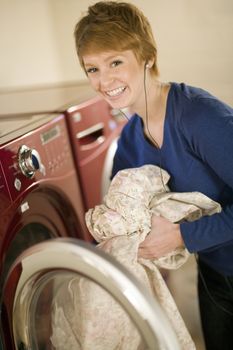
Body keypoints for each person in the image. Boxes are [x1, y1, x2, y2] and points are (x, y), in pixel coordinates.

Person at [74, 1, 233, 349]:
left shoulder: (197, 115)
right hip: (216, 274)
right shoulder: (131, 142)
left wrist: (183, 236)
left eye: (115, 62)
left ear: (146, 56)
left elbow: (180, 234)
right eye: (92, 69)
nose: (104, 81)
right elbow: (124, 220)